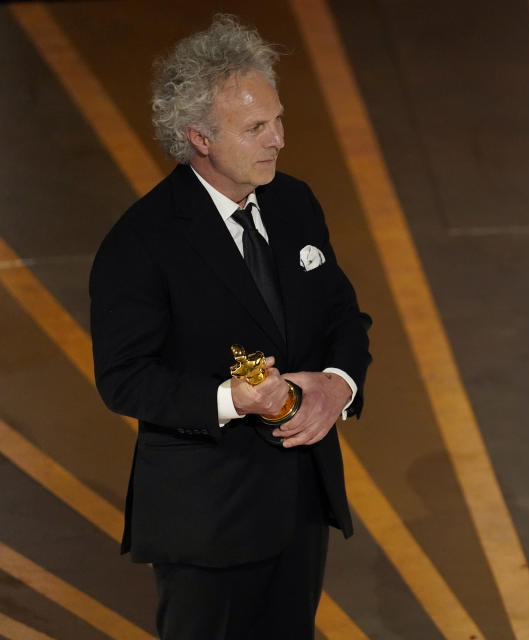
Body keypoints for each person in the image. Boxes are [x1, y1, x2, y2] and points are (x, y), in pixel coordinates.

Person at [90, 15, 371, 639]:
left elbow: (342, 316)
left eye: (277, 119)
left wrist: (337, 385)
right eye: (255, 128)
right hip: (205, 518)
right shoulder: (141, 242)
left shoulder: (295, 202)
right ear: (199, 138)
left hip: (299, 500)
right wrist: (229, 398)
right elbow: (123, 378)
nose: (277, 139)